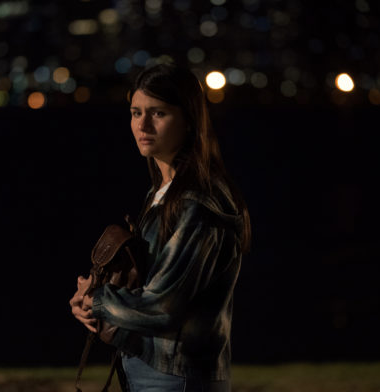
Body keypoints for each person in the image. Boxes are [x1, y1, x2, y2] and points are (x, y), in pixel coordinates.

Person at [69, 63, 251, 392]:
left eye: (158, 113)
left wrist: (96, 300)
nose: (143, 124)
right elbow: (149, 285)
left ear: (189, 120)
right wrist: (93, 297)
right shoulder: (162, 193)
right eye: (136, 112)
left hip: (176, 376)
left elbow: (164, 308)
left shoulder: (198, 204)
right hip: (149, 367)